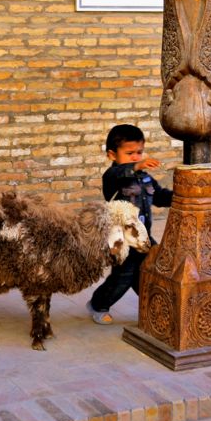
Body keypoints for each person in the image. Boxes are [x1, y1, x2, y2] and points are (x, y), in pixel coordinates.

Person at [86, 124, 173, 325]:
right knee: (123, 276)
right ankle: (98, 304)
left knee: (149, 271)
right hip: (121, 238)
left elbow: (159, 196)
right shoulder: (112, 177)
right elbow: (118, 174)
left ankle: (152, 307)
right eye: (130, 153)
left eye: (139, 152)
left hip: (142, 237)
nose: (136, 157)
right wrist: (135, 166)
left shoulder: (145, 178)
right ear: (112, 155)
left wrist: (181, 196)